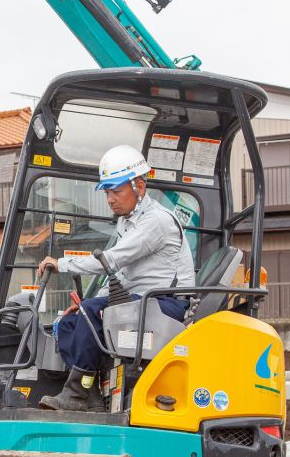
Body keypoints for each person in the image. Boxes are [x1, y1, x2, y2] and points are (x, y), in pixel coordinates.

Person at [37, 145, 196, 411]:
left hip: (165, 304)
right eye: (108, 192)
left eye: (117, 191)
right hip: (138, 300)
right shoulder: (127, 220)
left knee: (90, 313)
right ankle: (94, 393)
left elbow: (111, 260)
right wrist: (94, 302)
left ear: (139, 188)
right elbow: (119, 274)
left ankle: (76, 394)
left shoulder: (156, 221)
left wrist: (61, 263)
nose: (110, 199)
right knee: (69, 323)